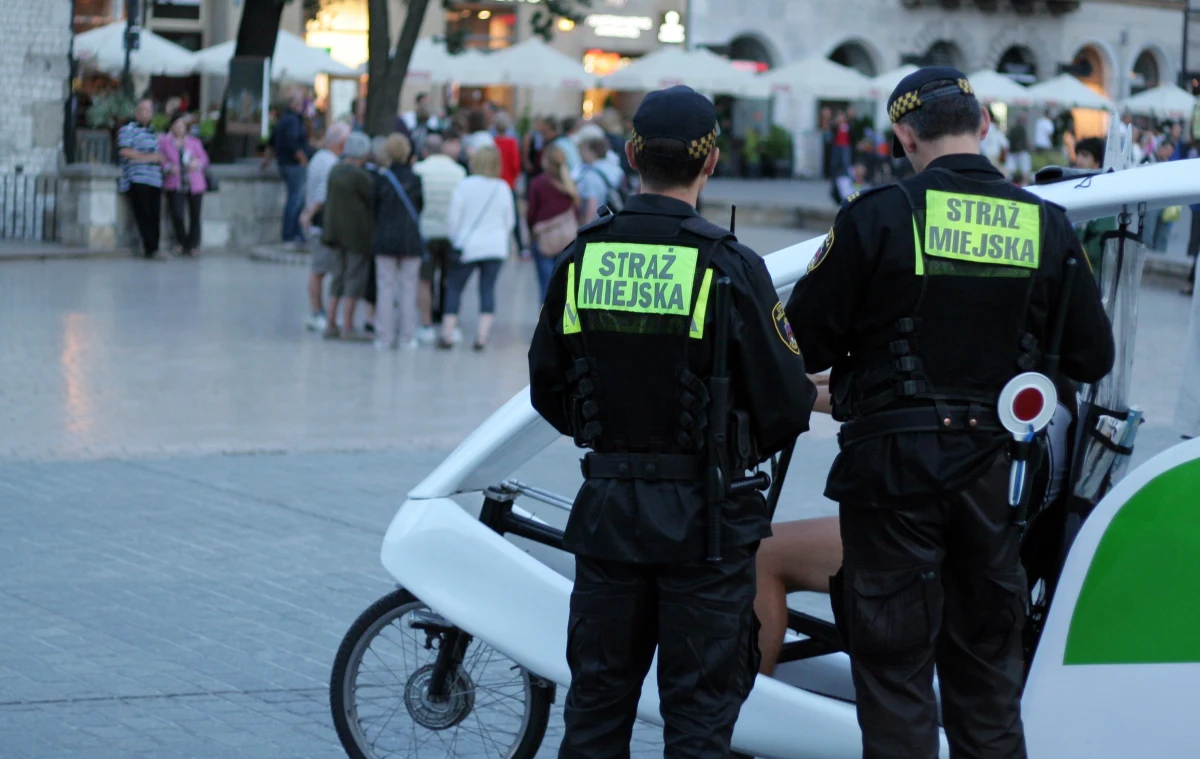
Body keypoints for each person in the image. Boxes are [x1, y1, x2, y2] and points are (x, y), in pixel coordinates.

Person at [785, 67, 1115, 758]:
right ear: (985, 125)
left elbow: (799, 339)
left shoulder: (875, 216)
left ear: (905, 136)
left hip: (891, 478)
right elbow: (1092, 356)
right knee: (988, 681)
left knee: (895, 677)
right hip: (997, 480)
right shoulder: (1047, 225)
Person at [528, 85, 817, 759]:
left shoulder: (582, 256)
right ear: (710, 161)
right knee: (699, 718)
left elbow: (549, 387)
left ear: (632, 156)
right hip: (705, 523)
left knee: (596, 709)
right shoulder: (731, 265)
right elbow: (782, 402)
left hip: (609, 511)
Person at [440, 145, 514, 351]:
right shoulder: (503, 187)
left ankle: (447, 333)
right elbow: (510, 221)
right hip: (495, 246)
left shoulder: (465, 185)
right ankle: (481, 337)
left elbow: (453, 219)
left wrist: (456, 240)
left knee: (455, 287)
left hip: (468, 245)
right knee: (487, 289)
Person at [413, 132, 468, 344]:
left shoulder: (419, 170)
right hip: (452, 233)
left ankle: (426, 325)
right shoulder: (459, 172)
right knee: (450, 280)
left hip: (426, 231)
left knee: (425, 280)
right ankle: (448, 323)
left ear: (425, 150)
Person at [321, 131, 376, 341]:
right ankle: (348, 326)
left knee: (337, 278)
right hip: (356, 236)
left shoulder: (335, 171)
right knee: (353, 279)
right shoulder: (361, 177)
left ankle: (331, 323)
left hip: (334, 234)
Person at [372, 133, 425, 350]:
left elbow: (373, 208)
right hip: (410, 239)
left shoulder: (381, 179)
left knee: (385, 287)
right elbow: (420, 207)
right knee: (409, 287)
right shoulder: (416, 179)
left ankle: (384, 336)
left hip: (385, 238)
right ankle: (407, 337)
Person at [300, 122, 351, 333]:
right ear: (340, 142)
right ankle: (318, 312)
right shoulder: (330, 163)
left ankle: (320, 311)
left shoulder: (319, 159)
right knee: (320, 270)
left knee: (320, 270)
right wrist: (309, 215)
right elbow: (321, 194)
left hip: (320, 223)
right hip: (323, 225)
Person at [526, 144, 581, 300]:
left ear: (545, 161)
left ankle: (545, 320)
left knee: (546, 284)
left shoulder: (538, 183)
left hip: (544, 238)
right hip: (568, 240)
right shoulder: (569, 182)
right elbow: (577, 212)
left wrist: (532, 233)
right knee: (566, 285)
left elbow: (531, 213)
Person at [117, 98, 164, 260]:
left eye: (151, 110)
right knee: (143, 214)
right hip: (138, 178)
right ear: (137, 113)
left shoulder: (152, 132)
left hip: (155, 179)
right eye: (145, 110)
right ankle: (150, 248)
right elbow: (125, 151)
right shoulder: (128, 129)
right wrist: (150, 157)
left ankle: (155, 248)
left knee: (155, 214)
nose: (149, 113)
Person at [158, 111, 209, 257]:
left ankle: (193, 245)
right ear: (171, 126)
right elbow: (160, 159)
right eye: (177, 125)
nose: (180, 128)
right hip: (175, 182)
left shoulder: (194, 142)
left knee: (195, 215)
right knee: (177, 214)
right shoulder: (164, 142)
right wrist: (168, 168)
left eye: (183, 125)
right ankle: (182, 242)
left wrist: (196, 163)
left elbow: (205, 159)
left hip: (194, 183)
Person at [1072, 137, 1118, 278]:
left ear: (1097, 162)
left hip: (1090, 276)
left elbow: (1099, 245)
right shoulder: (1075, 189)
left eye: (1085, 156)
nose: (1078, 160)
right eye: (1078, 155)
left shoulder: (1103, 196)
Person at [272, 93, 312, 246]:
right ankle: (291, 233)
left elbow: (273, 140)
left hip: (285, 163)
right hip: (293, 165)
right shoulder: (293, 120)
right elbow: (293, 142)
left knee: (294, 199)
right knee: (296, 200)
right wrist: (303, 161)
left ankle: (292, 233)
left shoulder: (283, 119)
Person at [491, 111, 525, 252]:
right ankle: (520, 246)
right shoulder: (512, 142)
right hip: (509, 182)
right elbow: (515, 164)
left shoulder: (492, 142)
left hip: (495, 182)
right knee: (514, 215)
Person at [576, 136, 626, 220]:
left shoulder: (590, 175)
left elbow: (591, 205)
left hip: (599, 221)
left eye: (583, 150)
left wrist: (586, 229)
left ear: (592, 152)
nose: (580, 154)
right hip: (615, 217)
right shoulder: (615, 168)